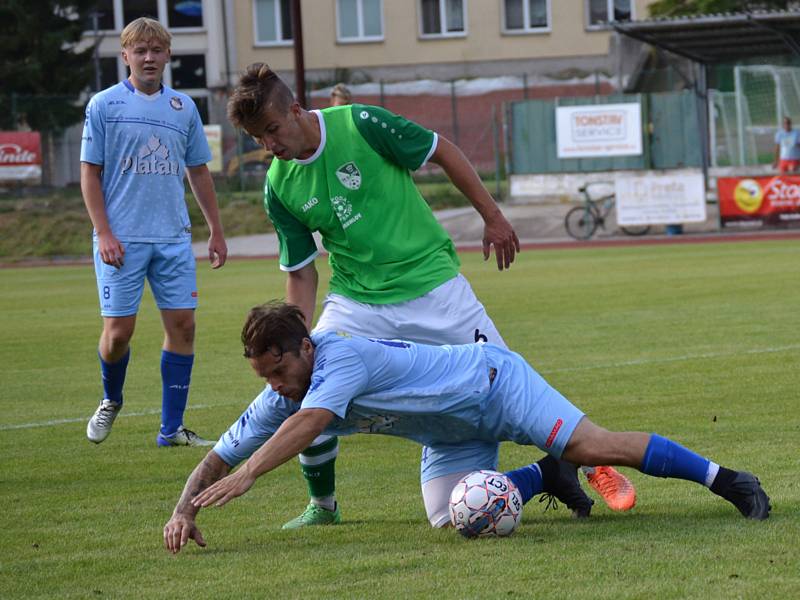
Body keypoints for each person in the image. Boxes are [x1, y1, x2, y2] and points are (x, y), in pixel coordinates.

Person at [225, 63, 636, 529]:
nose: (269, 146)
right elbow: (301, 274)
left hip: (434, 286)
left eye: (272, 130)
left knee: (509, 385)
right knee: (308, 383)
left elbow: (443, 151)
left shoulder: (361, 123)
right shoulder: (279, 185)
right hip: (358, 301)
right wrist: (293, 340)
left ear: (295, 110)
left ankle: (590, 463)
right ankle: (324, 505)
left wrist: (493, 217)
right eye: (258, 138)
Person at [162, 303, 770, 553]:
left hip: (493, 385)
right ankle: (546, 474)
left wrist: (249, 477)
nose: (277, 387)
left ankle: (731, 481)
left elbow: (314, 421)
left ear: (303, 346)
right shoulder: (283, 390)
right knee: (456, 518)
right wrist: (186, 506)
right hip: (451, 433)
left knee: (594, 444)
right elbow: (219, 452)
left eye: (280, 370)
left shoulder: (338, 355)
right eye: (266, 378)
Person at [80, 17, 227, 447]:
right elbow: (90, 174)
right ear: (125, 55)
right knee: (118, 335)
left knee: (183, 326)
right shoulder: (104, 105)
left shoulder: (183, 108)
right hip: (121, 240)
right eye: (139, 50)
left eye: (156, 50)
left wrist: (215, 231)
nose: (148, 57)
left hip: (173, 238)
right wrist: (103, 232)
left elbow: (198, 172)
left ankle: (171, 429)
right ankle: (111, 399)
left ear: (167, 55)